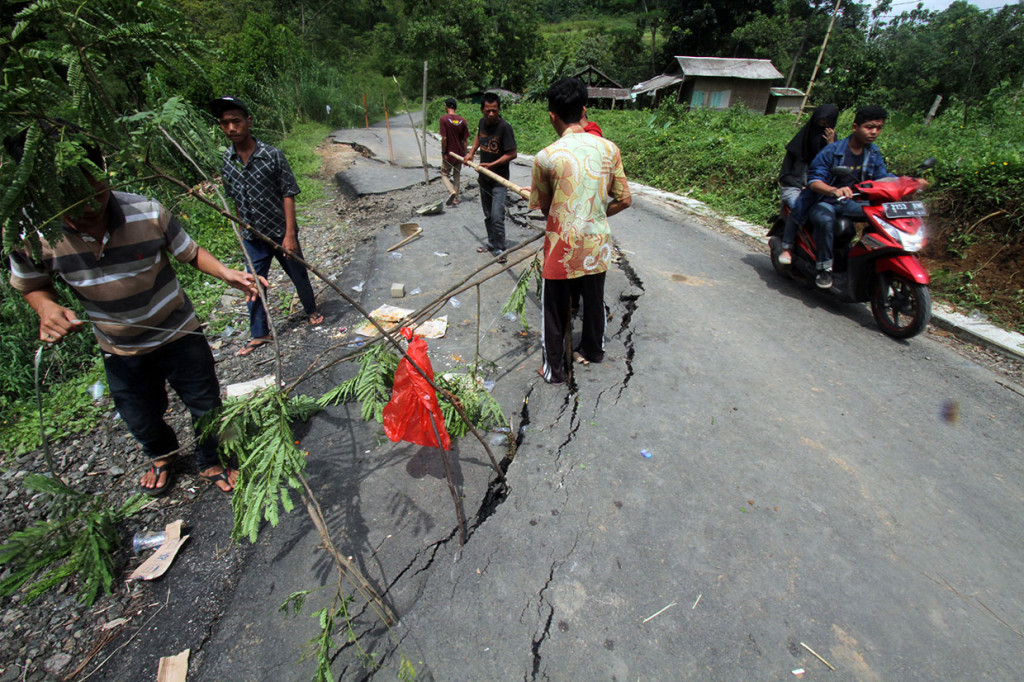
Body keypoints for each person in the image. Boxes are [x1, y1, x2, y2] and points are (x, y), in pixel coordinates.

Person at [7, 133, 265, 496]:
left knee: (206, 404)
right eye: (72, 199)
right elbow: (33, 285)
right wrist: (46, 307)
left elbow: (188, 251)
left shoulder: (146, 211)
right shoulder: (33, 237)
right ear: (46, 193)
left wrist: (226, 272)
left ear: (104, 171)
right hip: (119, 347)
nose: (89, 206)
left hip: (179, 332)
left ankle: (211, 458)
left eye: (95, 189)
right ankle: (162, 454)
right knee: (140, 416)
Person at [529, 78, 631, 386]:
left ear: (552, 116)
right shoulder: (609, 149)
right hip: (597, 244)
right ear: (583, 109)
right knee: (594, 298)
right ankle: (593, 351)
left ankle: (554, 370)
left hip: (563, 246)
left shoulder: (546, 157)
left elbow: (546, 208)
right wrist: (597, 212)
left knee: (554, 309)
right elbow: (624, 199)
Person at [210, 96, 323, 357]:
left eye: (235, 121)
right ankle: (259, 333)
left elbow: (288, 193)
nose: (231, 128)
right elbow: (234, 197)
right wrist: (242, 230)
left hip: (280, 232)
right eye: (224, 123)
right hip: (252, 235)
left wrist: (290, 233)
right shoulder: (228, 161)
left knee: (298, 273)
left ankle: (311, 310)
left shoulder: (271, 155)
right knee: (253, 283)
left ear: (248, 121)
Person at [803, 105, 926, 289]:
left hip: (855, 202)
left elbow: (881, 177)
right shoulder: (832, 150)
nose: (874, 132)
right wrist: (833, 190)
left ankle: (868, 261)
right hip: (826, 201)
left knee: (883, 216)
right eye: (869, 127)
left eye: (879, 128)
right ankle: (824, 267)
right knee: (825, 220)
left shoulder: (873, 152)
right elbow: (814, 181)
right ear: (855, 127)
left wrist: (908, 182)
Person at [777, 104, 839, 267]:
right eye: (820, 123)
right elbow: (785, 174)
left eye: (827, 124)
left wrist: (830, 145)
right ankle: (787, 246)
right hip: (795, 188)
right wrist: (801, 186)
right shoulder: (798, 144)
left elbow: (835, 170)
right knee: (801, 206)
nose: (822, 128)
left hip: (823, 190)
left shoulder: (835, 148)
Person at [464, 92, 517, 262]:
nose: (491, 114)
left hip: (499, 181)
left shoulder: (504, 128)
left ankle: (501, 249)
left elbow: (513, 153)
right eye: (488, 111)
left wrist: (491, 166)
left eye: (494, 110)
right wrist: (471, 153)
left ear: (499, 109)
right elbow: (479, 137)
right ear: (482, 110)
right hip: (484, 180)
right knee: (488, 215)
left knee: (497, 216)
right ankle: (492, 243)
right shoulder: (482, 123)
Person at [439, 97, 469, 206]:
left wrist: (443, 152)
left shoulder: (444, 119)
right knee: (457, 175)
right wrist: (465, 155)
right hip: (459, 154)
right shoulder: (462, 120)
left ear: (446, 107)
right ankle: (455, 199)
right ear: (455, 107)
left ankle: (451, 191)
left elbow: (444, 138)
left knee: (444, 174)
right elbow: (464, 141)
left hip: (449, 153)